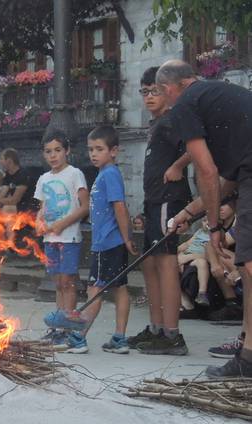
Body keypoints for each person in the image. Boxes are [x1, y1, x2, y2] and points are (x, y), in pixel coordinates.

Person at [159, 59, 252, 376]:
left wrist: (213, 226)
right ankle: (248, 354)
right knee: (248, 266)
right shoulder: (220, 95)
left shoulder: (185, 102)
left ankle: (249, 359)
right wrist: (190, 213)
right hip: (247, 175)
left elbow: (207, 173)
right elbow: (227, 181)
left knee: (250, 265)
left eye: (162, 94)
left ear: (171, 88)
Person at [126, 66, 192, 356]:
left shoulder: (173, 119)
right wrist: (144, 207)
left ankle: (172, 335)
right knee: (149, 264)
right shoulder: (156, 125)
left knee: (166, 262)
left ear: (167, 91)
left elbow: (198, 147)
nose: (149, 96)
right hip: (154, 202)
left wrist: (178, 166)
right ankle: (156, 329)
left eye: (154, 90)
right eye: (144, 92)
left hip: (170, 200)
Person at [64, 126, 137, 354]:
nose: (93, 154)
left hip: (107, 244)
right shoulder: (104, 174)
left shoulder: (110, 174)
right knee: (119, 288)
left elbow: (120, 207)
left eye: (99, 149)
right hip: (108, 242)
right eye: (90, 149)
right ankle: (119, 338)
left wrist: (126, 238)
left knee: (94, 289)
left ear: (114, 151)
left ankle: (80, 337)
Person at [35, 132, 89, 347]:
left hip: (69, 237)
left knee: (68, 282)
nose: (53, 155)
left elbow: (85, 206)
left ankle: (69, 327)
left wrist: (62, 224)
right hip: (50, 238)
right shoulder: (44, 179)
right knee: (57, 282)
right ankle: (57, 328)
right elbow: (42, 208)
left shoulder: (75, 174)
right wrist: (40, 223)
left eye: (57, 150)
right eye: (48, 151)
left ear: (67, 151)